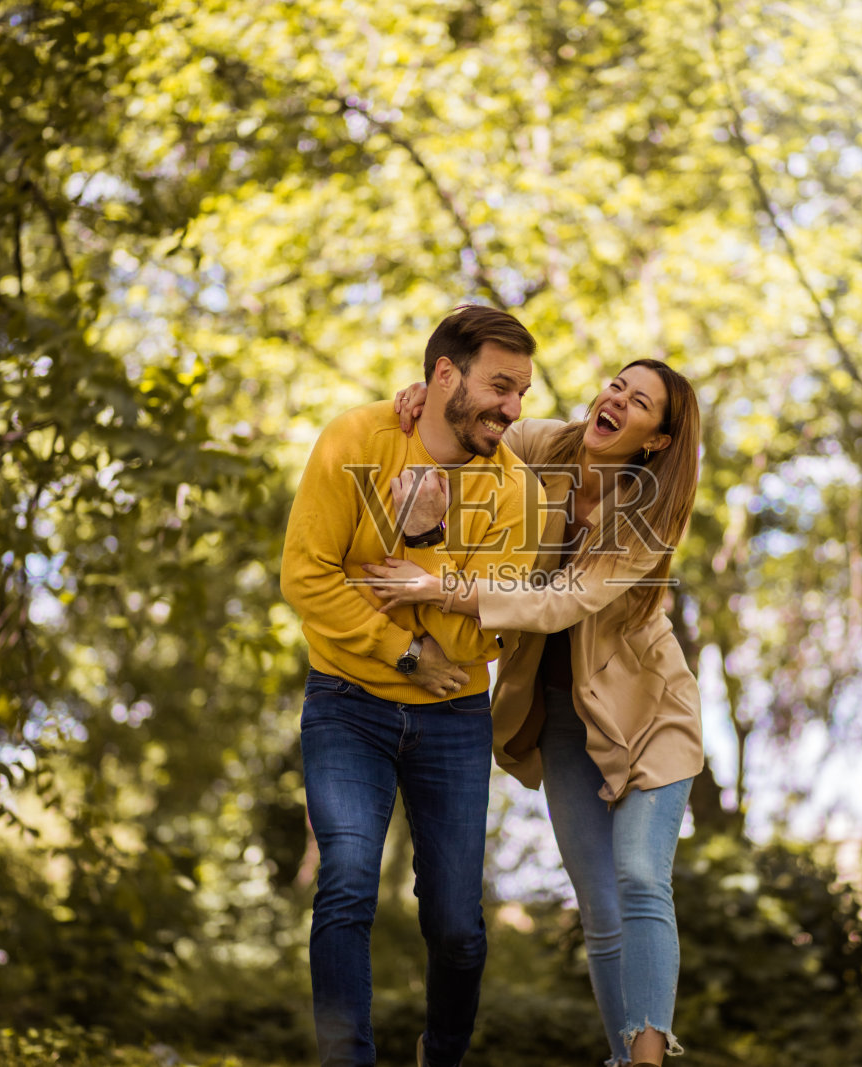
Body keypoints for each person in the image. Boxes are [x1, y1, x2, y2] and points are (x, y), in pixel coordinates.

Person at [365, 359, 704, 1067]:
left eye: (638, 401)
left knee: (640, 875)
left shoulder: (646, 513)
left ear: (658, 440)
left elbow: (560, 601)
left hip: (648, 715)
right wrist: (431, 402)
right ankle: (622, 1058)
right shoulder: (549, 446)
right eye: (617, 383)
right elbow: (475, 436)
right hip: (559, 716)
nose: (614, 398)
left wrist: (446, 588)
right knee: (600, 911)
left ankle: (646, 1062)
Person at [279, 305, 547, 1067]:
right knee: (348, 883)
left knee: (458, 926)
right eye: (501, 385)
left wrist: (424, 552)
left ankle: (443, 1054)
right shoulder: (356, 441)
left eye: (522, 391)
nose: (513, 408)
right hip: (347, 704)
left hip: (454, 719)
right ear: (442, 376)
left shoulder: (514, 490)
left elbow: (487, 632)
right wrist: (404, 648)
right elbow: (307, 577)